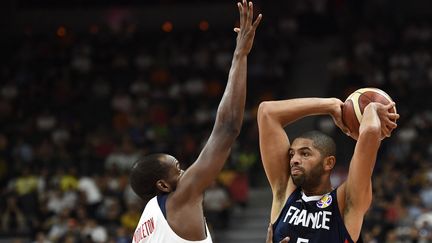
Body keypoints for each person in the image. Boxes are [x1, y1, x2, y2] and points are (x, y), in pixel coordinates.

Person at [129, 1, 262, 242]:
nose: (186, 172)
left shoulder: (144, 224)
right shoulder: (178, 200)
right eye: (178, 169)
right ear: (163, 185)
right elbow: (228, 128)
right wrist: (240, 55)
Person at [257, 98, 399, 243]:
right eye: (292, 154)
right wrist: (330, 105)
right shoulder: (284, 191)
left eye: (305, 153)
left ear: (329, 163)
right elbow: (267, 112)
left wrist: (370, 108)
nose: (294, 160)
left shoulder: (345, 202)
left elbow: (370, 131)